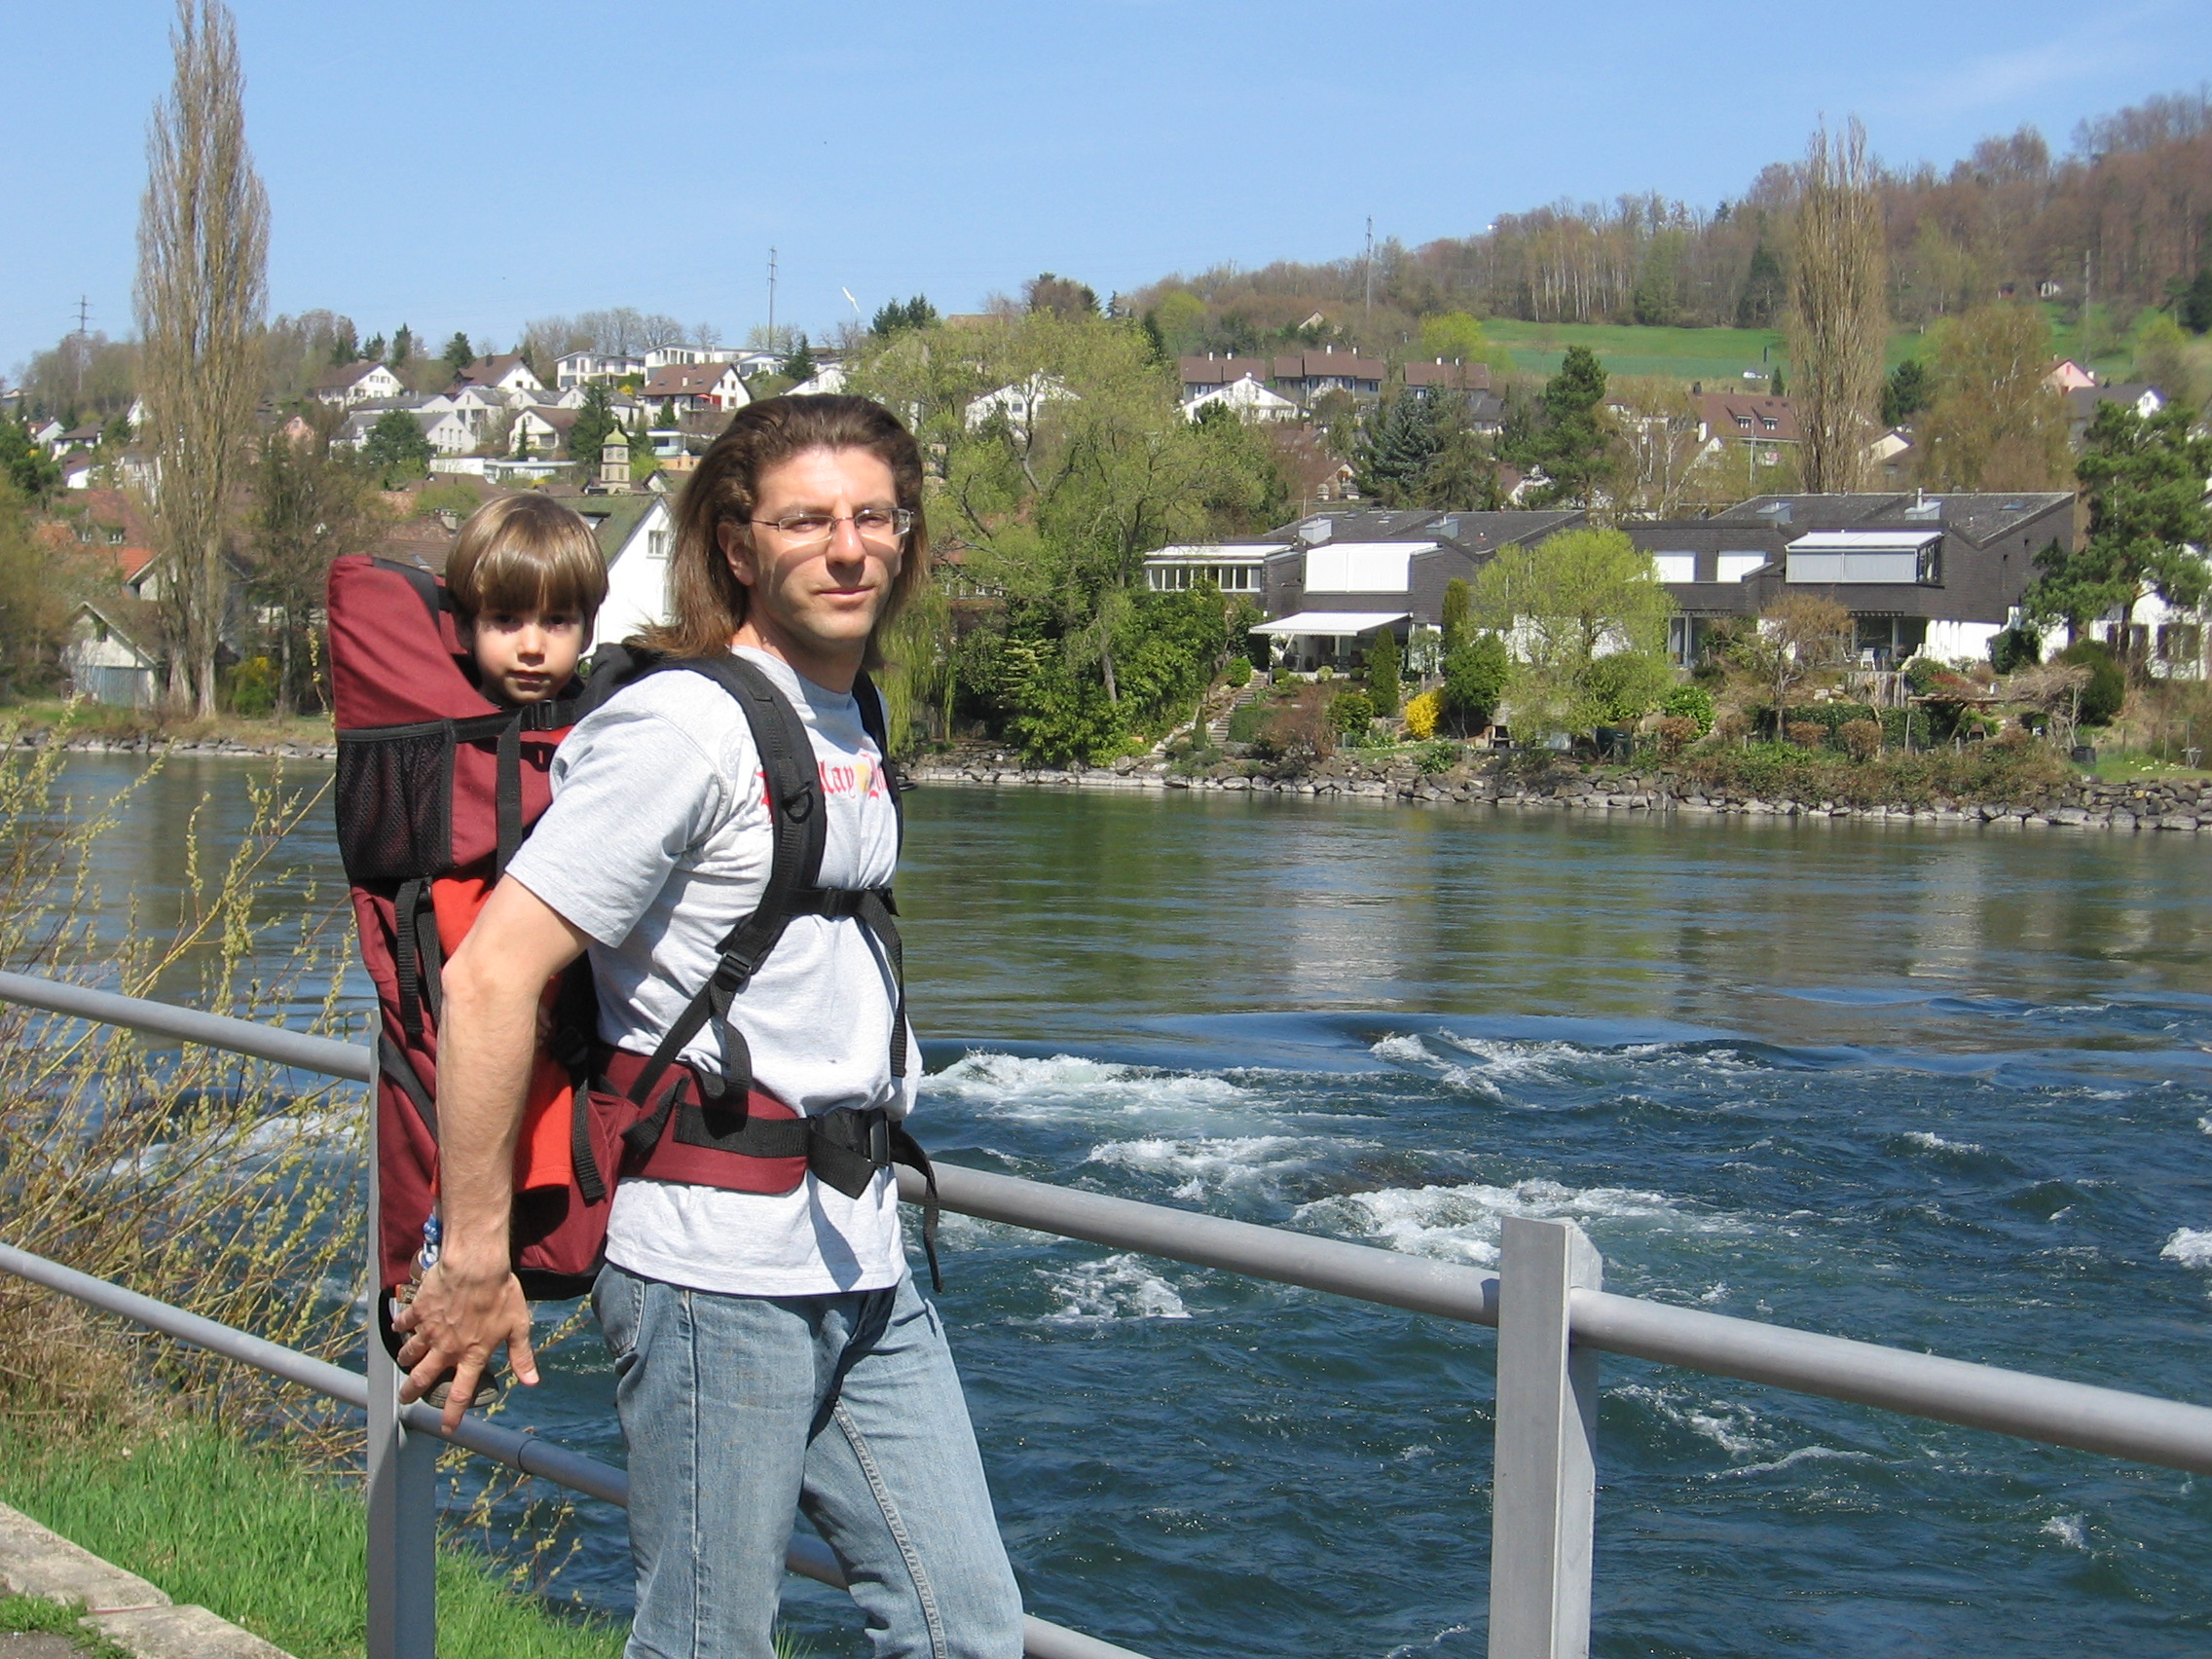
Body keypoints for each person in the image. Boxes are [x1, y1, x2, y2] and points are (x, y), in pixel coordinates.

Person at [392, 397, 1024, 1659]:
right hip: (710, 1275)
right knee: (707, 1641)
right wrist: (473, 1257)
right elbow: (490, 979)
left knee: (966, 1627)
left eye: (874, 516)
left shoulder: (855, 714)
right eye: (805, 521)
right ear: (738, 547)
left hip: (861, 1258)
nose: (847, 548)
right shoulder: (681, 728)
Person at [434, 494, 607, 1231]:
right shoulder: (442, 747)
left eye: (557, 622)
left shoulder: (614, 734)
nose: (532, 646)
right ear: (466, 625)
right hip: (491, 1023)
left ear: (588, 629)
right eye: (507, 621)